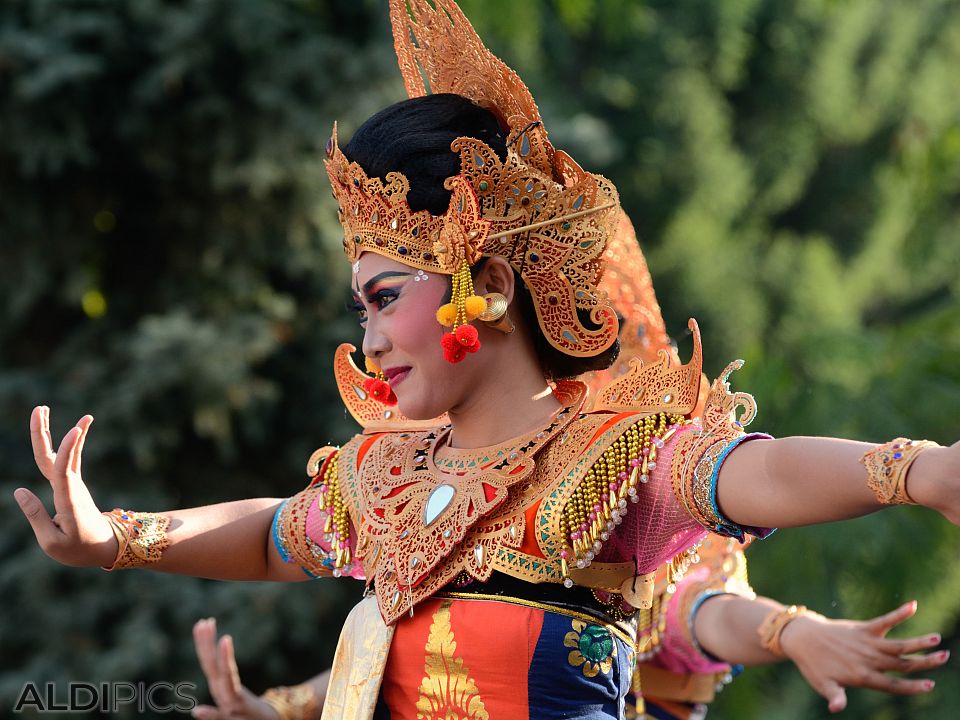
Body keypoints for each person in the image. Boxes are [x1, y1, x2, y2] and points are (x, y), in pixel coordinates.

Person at [16, 1, 959, 718]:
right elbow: (275, 536)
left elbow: (762, 469)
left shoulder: (608, 457)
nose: (370, 339)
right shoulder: (385, 476)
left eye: (388, 299)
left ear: (491, 285)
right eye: (362, 307)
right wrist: (116, 539)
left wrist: (919, 471)